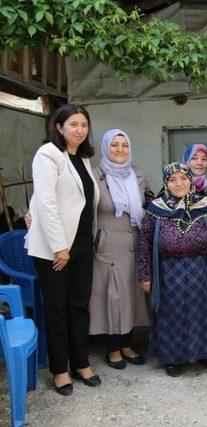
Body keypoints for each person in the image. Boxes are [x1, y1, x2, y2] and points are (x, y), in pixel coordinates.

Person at [25, 104, 101, 395]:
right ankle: (60, 370)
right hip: (55, 249)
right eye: (73, 124)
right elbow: (46, 202)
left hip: (82, 244)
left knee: (79, 307)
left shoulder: (82, 158)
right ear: (59, 127)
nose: (79, 130)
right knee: (57, 309)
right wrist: (60, 248)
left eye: (84, 124)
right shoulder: (48, 155)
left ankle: (81, 362)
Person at [137, 162, 207, 377]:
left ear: (191, 180)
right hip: (167, 271)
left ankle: (206, 352)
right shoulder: (156, 208)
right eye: (173, 179)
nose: (179, 183)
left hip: (200, 270)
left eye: (184, 178)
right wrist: (145, 275)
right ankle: (172, 358)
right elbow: (145, 243)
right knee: (171, 313)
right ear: (166, 183)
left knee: (201, 311)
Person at [89, 129, 152, 370]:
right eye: (114, 145)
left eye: (124, 145)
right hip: (107, 247)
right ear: (105, 147)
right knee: (112, 298)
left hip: (135, 244)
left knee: (131, 297)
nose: (120, 150)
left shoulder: (137, 174)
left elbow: (150, 201)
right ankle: (113, 348)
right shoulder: (95, 175)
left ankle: (127, 344)